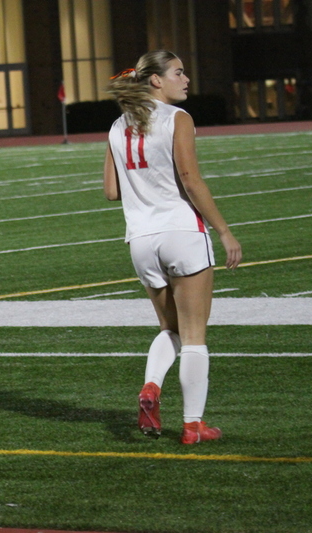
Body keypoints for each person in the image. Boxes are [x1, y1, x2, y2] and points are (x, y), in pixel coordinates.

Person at [103, 50, 242, 445]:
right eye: (179, 72)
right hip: (181, 231)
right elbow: (190, 178)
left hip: (141, 240)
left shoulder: (116, 127)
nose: (186, 79)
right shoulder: (178, 118)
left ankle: (151, 386)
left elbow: (112, 191)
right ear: (156, 81)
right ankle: (194, 425)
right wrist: (225, 231)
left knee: (171, 329)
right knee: (195, 335)